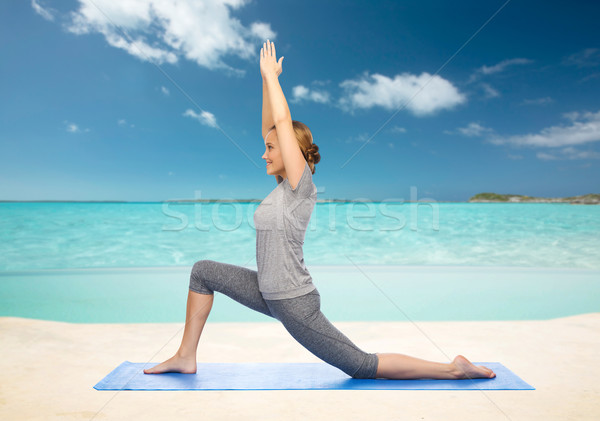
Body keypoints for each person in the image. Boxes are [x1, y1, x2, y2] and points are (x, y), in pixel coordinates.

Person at [144, 40, 496, 380]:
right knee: (202, 272)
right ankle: (185, 356)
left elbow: (282, 125)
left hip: (295, 303)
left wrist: (271, 78)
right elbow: (272, 125)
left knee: (361, 365)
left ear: (290, 152)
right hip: (267, 293)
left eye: (271, 148)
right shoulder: (282, 188)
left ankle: (453, 368)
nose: (264, 153)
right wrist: (266, 82)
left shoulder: (301, 187)